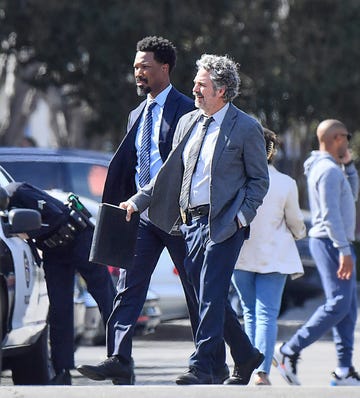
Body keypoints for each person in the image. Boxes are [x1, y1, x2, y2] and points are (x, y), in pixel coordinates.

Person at [120, 54, 269, 385]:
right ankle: (245, 356)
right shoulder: (188, 122)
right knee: (205, 295)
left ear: (222, 90)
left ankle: (200, 365)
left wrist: (242, 217)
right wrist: (137, 200)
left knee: (212, 292)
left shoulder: (246, 127)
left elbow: (260, 181)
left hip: (225, 223)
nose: (195, 90)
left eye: (201, 85)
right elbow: (168, 174)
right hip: (191, 225)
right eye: (196, 84)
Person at [76, 36, 199, 385]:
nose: (138, 73)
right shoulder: (136, 113)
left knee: (197, 290)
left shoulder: (186, 110)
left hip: (177, 216)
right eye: (135, 67)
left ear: (165, 67)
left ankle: (209, 361)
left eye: (144, 66)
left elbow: (180, 166)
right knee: (127, 288)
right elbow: (131, 163)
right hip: (140, 216)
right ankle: (119, 359)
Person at [1, 182, 116, 385]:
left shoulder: (18, 192)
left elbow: (55, 215)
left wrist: (29, 233)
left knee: (106, 299)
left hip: (78, 237)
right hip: (54, 251)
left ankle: (120, 359)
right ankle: (63, 371)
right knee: (58, 311)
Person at [274, 119, 360, 386]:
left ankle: (344, 370)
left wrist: (349, 166)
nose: (348, 141)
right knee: (338, 304)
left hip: (333, 242)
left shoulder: (333, 169)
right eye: (345, 136)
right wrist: (344, 249)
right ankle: (289, 350)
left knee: (348, 305)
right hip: (331, 243)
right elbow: (329, 215)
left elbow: (351, 197)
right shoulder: (327, 171)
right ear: (335, 138)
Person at [232, 128, 306, 386]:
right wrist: (299, 233)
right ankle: (262, 372)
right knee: (266, 315)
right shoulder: (286, 183)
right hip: (275, 257)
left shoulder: (236, 179)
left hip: (239, 256)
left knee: (249, 315)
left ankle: (247, 369)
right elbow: (296, 223)